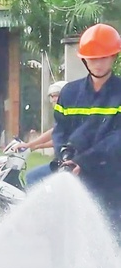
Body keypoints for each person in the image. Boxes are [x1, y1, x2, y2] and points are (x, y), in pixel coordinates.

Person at [52, 23, 121, 229]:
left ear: (114, 57)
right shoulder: (69, 93)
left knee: (110, 231)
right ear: (84, 60)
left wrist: (84, 161)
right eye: (92, 58)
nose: (98, 63)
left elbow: (116, 139)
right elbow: (60, 131)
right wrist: (64, 157)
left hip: (111, 178)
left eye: (103, 57)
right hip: (72, 171)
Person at [16, 80, 68, 186]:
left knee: (32, 177)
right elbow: (58, 140)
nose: (53, 99)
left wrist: (29, 144)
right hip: (61, 161)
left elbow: (53, 132)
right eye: (52, 96)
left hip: (66, 163)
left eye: (57, 95)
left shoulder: (68, 114)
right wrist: (37, 146)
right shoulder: (62, 113)